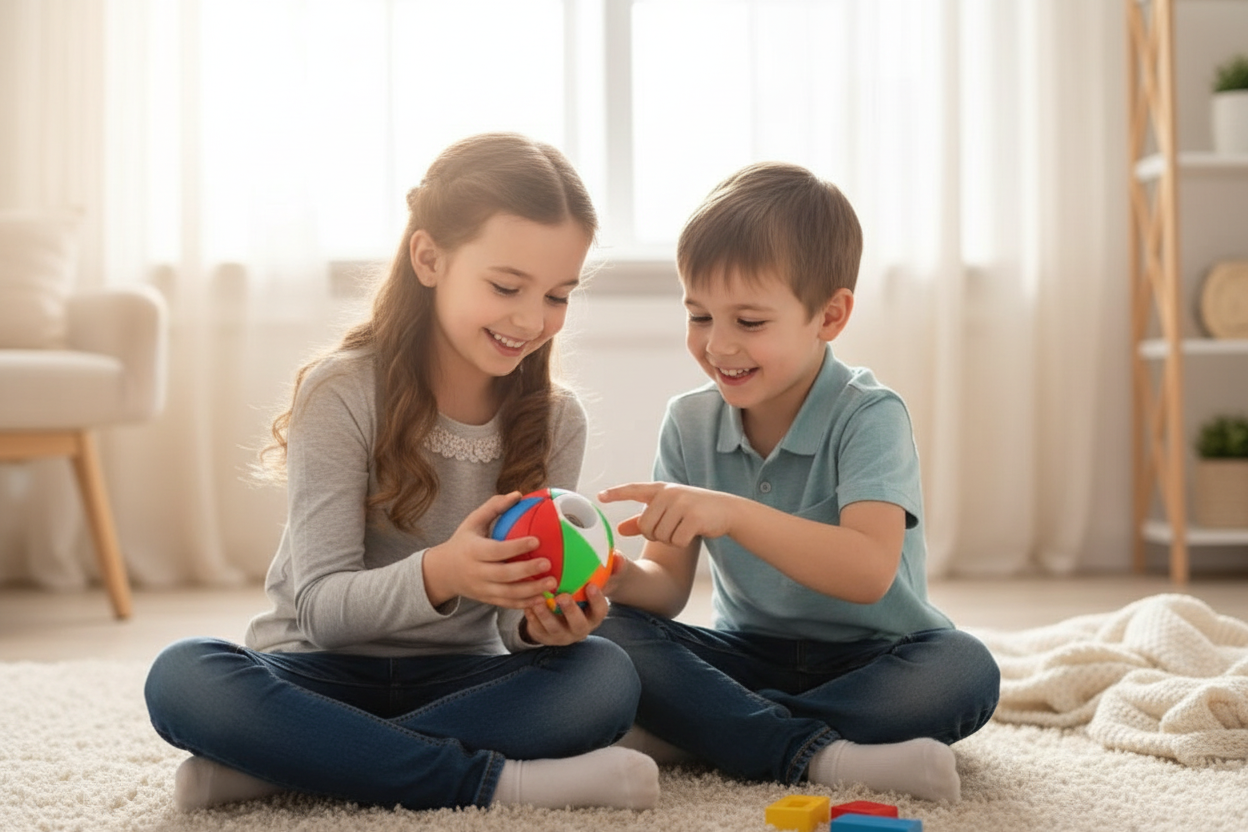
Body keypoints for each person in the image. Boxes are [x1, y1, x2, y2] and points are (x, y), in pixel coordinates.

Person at [144, 133, 658, 813]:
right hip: (313, 671)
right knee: (183, 675)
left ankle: (292, 763)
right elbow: (321, 611)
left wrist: (543, 625)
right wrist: (445, 571)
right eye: (507, 286)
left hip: (459, 680)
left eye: (558, 295)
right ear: (429, 258)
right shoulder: (343, 392)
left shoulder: (556, 420)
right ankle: (498, 783)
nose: (533, 319)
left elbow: (507, 629)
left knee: (604, 677)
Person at [596, 162, 999, 803]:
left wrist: (731, 513)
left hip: (874, 658)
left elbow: (868, 571)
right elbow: (668, 588)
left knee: (964, 670)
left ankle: (712, 728)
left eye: (749, 322)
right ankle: (812, 751)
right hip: (747, 654)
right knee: (606, 632)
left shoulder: (870, 415)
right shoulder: (689, 421)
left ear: (830, 316)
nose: (718, 345)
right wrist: (613, 575)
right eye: (699, 316)